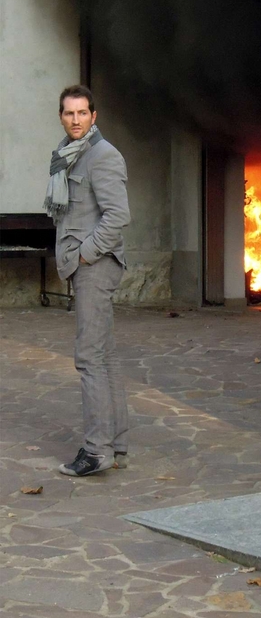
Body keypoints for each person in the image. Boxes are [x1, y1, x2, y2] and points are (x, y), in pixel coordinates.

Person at [44, 85, 131, 476]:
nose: (75, 120)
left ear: (94, 116)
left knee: (88, 357)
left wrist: (84, 255)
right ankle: (117, 444)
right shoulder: (67, 155)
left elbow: (117, 216)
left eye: (82, 113)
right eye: (69, 113)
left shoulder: (103, 155)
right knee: (104, 355)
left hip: (96, 266)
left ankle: (96, 451)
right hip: (85, 265)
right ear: (61, 117)